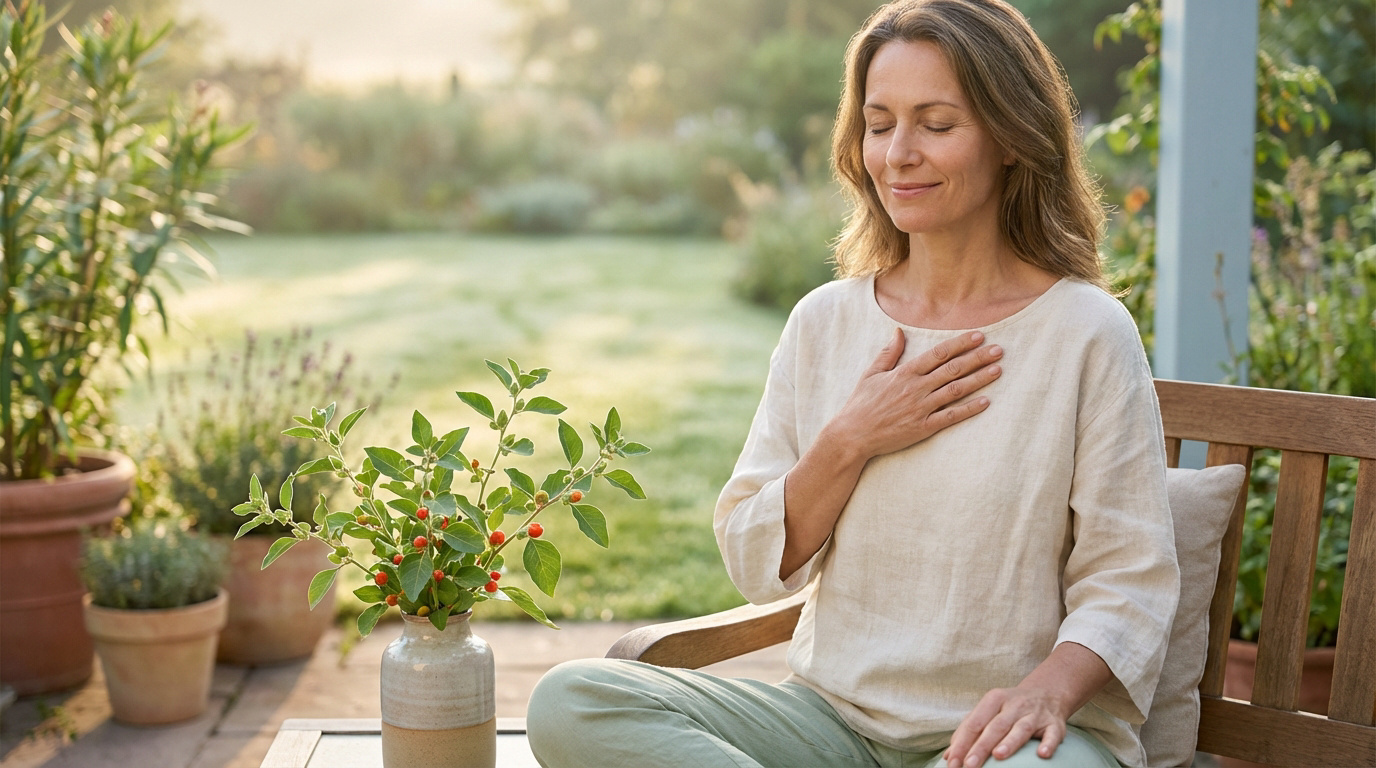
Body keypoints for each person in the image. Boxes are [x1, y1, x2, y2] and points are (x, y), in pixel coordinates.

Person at [526, 1, 1178, 766]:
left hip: (1006, 740)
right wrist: (852, 435)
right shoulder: (825, 324)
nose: (899, 153)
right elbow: (753, 560)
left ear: (1011, 137)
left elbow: (1128, 576)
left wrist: (1046, 691)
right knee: (574, 700)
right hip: (830, 726)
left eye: (936, 124)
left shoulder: (1084, 332)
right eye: (879, 123)